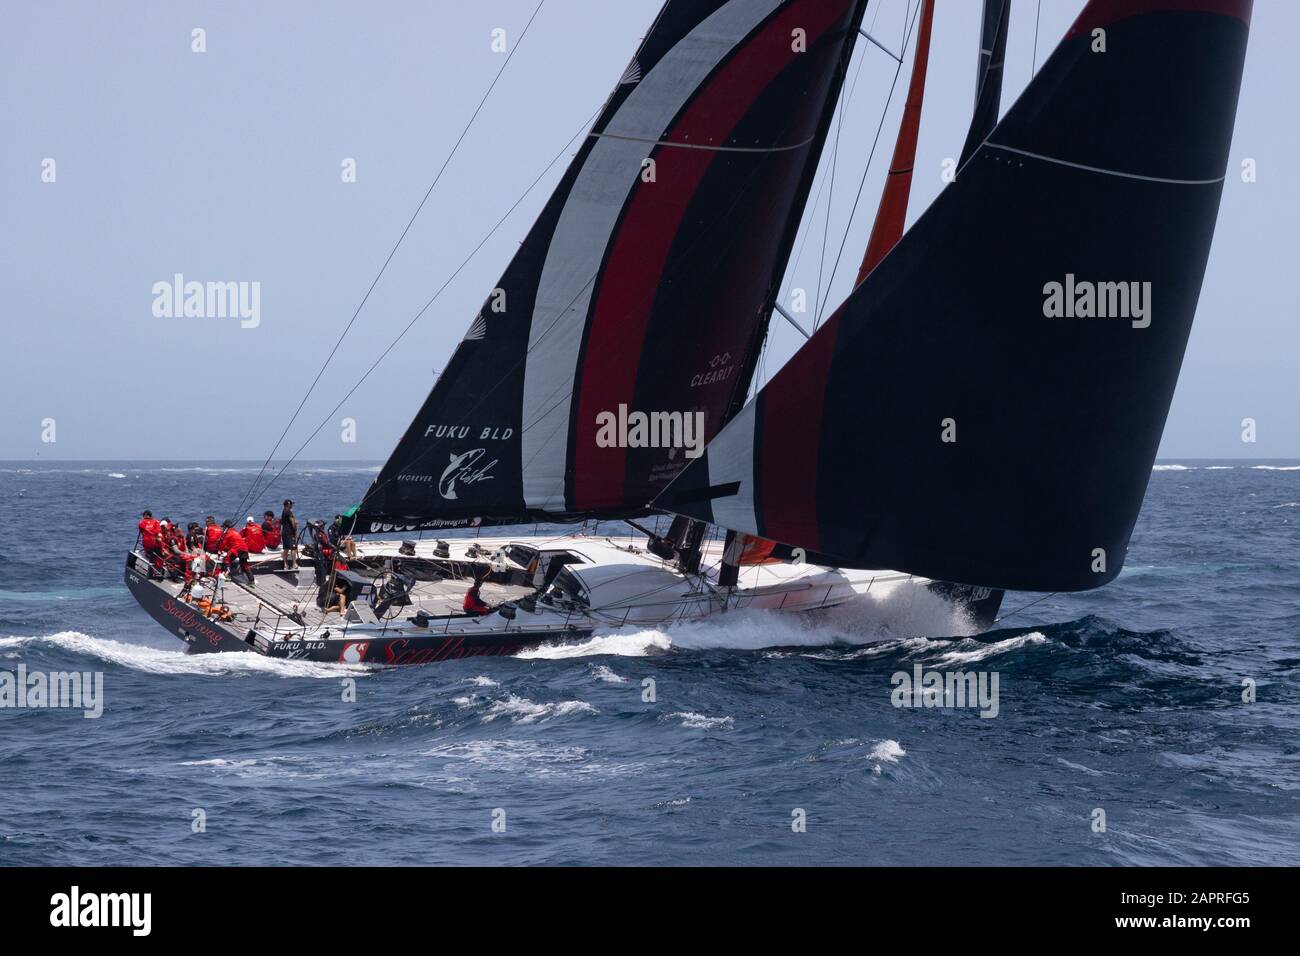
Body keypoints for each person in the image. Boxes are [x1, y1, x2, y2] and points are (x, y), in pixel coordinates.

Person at [220, 519, 253, 585]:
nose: (222, 528)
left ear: (226, 527)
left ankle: (227, 576)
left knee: (227, 559)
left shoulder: (228, 533)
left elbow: (223, 545)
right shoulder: (236, 532)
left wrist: (219, 551)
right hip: (244, 549)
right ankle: (251, 579)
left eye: (223, 527)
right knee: (244, 564)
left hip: (236, 549)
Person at [138, 510, 163, 575]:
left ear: (146, 515)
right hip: (156, 543)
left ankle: (152, 573)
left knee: (151, 557)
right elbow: (158, 531)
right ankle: (159, 571)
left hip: (147, 544)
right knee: (158, 556)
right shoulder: (156, 522)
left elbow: (140, 529)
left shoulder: (141, 522)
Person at [281, 499, 299, 570]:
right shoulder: (289, 512)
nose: (292, 506)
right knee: (293, 548)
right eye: (291, 504)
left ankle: (285, 565)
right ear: (288, 505)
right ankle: (294, 564)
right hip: (290, 533)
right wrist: (295, 526)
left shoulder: (283, 512)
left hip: (284, 532)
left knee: (286, 548)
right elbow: (293, 523)